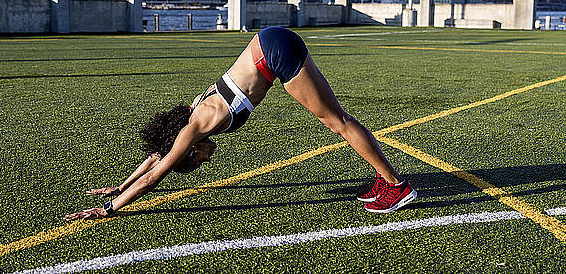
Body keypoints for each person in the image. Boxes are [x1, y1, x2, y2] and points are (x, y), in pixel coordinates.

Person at [65, 27, 416, 220]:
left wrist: (109, 208)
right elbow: (157, 156)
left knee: (337, 122)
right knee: (335, 121)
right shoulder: (192, 112)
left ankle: (397, 186)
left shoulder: (196, 127)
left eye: (196, 160)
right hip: (269, 43)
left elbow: (156, 175)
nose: (204, 160)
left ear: (189, 147)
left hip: (274, 54)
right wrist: (118, 185)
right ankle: (386, 180)